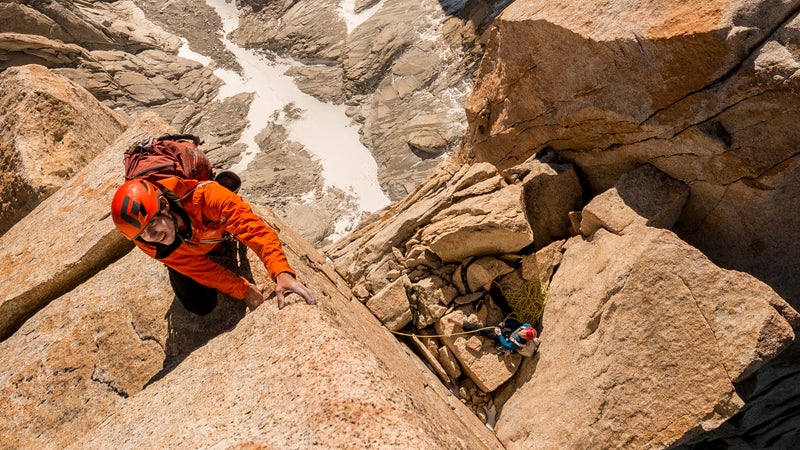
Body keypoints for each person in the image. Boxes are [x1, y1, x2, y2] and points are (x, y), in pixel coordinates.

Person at [111, 176, 317, 315]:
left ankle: (224, 196)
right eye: (144, 233)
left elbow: (253, 230)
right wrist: (243, 290)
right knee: (200, 305)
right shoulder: (145, 241)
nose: (153, 236)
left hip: (207, 221)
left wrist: (282, 273)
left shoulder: (205, 197)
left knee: (229, 216)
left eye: (153, 224)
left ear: (164, 205)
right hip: (190, 248)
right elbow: (199, 269)